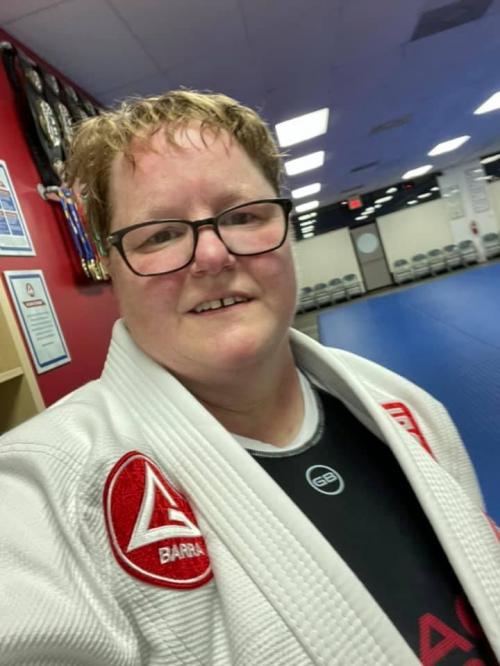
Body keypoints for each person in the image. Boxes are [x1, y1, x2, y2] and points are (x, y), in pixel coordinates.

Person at [0, 90, 498, 666]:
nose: (212, 256)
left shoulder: (404, 407)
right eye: (160, 234)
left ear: (285, 226)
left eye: (243, 217)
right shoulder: (35, 494)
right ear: (110, 265)